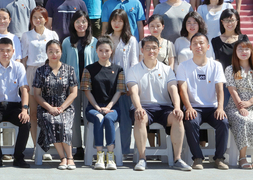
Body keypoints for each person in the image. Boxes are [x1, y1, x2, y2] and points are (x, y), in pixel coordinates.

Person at [127, 36, 192, 171]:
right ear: (142, 50)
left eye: (154, 48)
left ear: (159, 49)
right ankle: (142, 159)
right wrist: (138, 107)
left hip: (164, 107)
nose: (151, 51)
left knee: (178, 117)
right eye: (148, 48)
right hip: (144, 106)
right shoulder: (133, 70)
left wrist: (177, 107)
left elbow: (173, 90)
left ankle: (177, 159)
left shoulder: (167, 69)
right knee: (139, 116)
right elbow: (133, 92)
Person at [176, 33, 230, 170]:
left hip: (212, 107)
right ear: (190, 47)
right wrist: (188, 107)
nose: (198, 46)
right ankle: (197, 158)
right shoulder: (183, 66)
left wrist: (220, 108)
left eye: (201, 43)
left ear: (208, 46)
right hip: (194, 107)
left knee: (223, 122)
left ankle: (219, 158)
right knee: (191, 121)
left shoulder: (216, 65)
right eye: (194, 43)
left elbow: (220, 89)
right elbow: (182, 89)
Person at [0, 37, 31, 168]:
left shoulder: (19, 67)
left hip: (14, 106)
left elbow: (24, 89)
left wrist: (25, 110)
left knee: (26, 122)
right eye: (2, 50)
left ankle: (19, 157)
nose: (5, 53)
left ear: (13, 51)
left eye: (8, 50)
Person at [81, 36, 125, 170]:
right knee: (99, 117)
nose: (103, 54)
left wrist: (108, 107)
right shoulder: (88, 69)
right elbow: (87, 91)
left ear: (111, 51)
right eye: (100, 50)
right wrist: (98, 108)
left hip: (113, 107)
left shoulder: (118, 69)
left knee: (109, 118)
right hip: (93, 107)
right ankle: (100, 155)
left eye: (107, 51)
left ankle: (110, 156)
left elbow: (119, 91)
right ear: (96, 51)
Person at [33, 40, 78, 170]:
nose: (54, 54)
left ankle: (70, 157)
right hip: (46, 107)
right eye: (51, 52)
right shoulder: (40, 71)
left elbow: (74, 93)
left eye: (57, 51)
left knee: (64, 123)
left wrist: (62, 108)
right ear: (46, 53)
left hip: (65, 106)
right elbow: (37, 94)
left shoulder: (69, 70)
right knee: (52, 121)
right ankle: (62, 157)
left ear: (61, 52)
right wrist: (50, 108)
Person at [60, 10, 97, 161]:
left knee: (89, 115)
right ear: (73, 24)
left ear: (88, 23)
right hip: (72, 86)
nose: (81, 25)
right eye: (78, 22)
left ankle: (90, 146)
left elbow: (97, 63)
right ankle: (78, 147)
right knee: (73, 117)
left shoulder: (94, 41)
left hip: (89, 85)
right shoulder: (67, 42)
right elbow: (62, 63)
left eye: (84, 21)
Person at [225, 40, 253, 170]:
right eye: (240, 49)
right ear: (235, 52)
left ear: (251, 51)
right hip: (235, 106)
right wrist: (241, 107)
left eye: (246, 49)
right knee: (243, 120)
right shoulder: (230, 69)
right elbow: (232, 90)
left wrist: (250, 102)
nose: (243, 52)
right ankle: (242, 157)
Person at [21, 6, 59, 147]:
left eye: (40, 17)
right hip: (32, 71)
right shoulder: (27, 35)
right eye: (35, 17)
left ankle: (48, 144)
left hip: (49, 71)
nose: (38, 20)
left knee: (48, 110)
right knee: (33, 113)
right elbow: (24, 58)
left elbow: (57, 57)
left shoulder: (52, 34)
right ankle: (37, 146)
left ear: (46, 19)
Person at [105, 9, 139, 156]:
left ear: (125, 22)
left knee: (125, 119)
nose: (117, 23)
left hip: (124, 85)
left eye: (120, 21)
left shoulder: (131, 40)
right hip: (108, 85)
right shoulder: (106, 38)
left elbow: (134, 63)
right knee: (109, 117)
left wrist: (131, 85)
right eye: (114, 20)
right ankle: (109, 149)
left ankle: (124, 150)